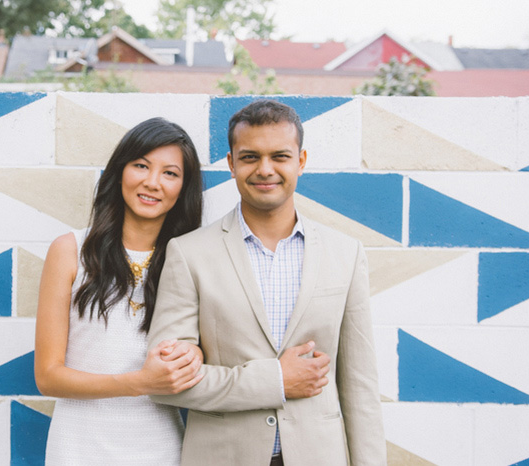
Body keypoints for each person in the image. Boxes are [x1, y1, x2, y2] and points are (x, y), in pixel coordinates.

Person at [148, 100, 386, 466]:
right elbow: (167, 383)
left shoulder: (346, 253)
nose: (265, 170)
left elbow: (360, 386)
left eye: (279, 156)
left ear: (301, 161)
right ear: (231, 163)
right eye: (249, 157)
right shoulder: (188, 253)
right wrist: (275, 380)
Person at [35, 117, 205, 465]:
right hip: (77, 450)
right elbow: (48, 377)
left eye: (170, 173)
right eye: (141, 165)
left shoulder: (193, 260)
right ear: (120, 171)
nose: (152, 182)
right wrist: (140, 382)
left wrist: (196, 358)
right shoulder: (69, 250)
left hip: (159, 450)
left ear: (184, 188)